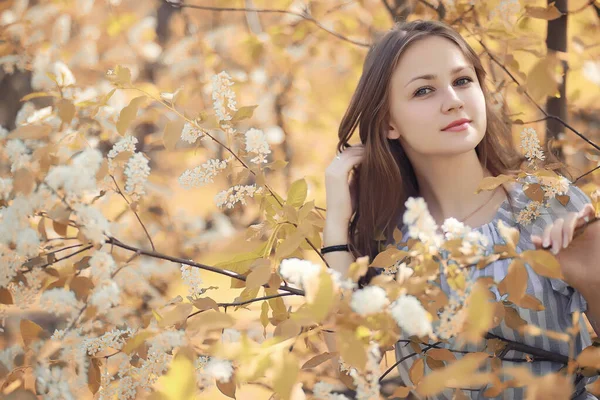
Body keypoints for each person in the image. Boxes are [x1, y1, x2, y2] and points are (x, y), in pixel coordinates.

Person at [323, 19, 600, 399]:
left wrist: (593, 277)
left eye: (463, 80)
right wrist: (336, 229)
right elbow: (351, 368)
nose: (452, 100)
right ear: (388, 122)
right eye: (424, 90)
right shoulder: (388, 246)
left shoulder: (548, 202)